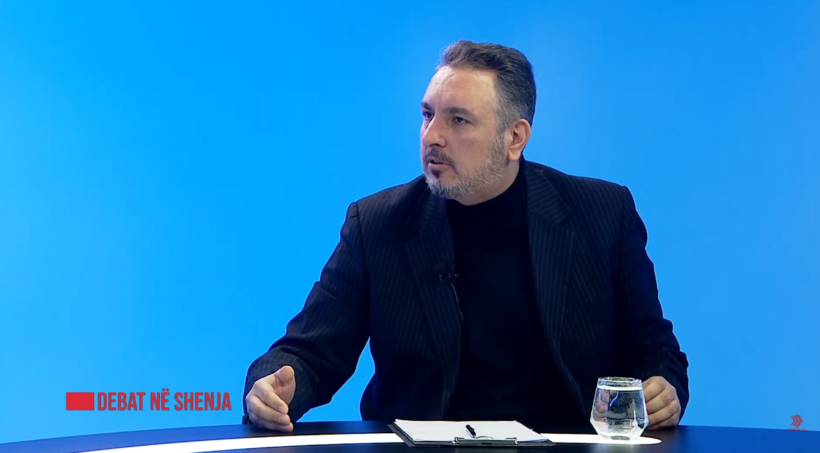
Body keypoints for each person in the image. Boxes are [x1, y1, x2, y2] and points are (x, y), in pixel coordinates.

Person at [243, 40, 689, 433]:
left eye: (458, 120)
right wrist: (273, 388)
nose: (432, 136)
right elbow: (311, 352)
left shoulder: (602, 214)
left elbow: (655, 351)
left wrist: (663, 388)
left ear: (515, 138)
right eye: (427, 115)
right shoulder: (377, 224)